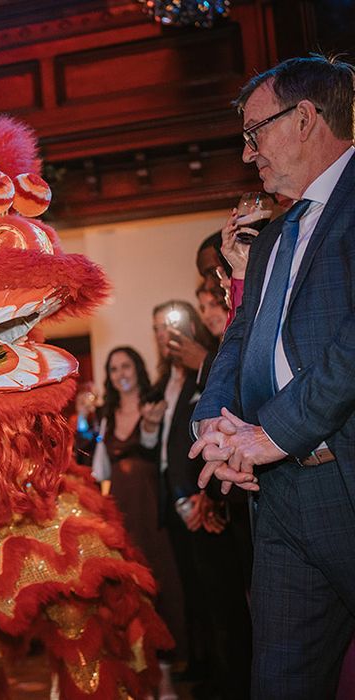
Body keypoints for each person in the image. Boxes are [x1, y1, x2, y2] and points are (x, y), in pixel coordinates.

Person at [190, 55, 355, 699]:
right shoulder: (277, 231)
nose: (248, 151)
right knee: (281, 683)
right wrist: (215, 422)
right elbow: (241, 337)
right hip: (280, 495)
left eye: (255, 131)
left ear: (306, 117)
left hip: (341, 471)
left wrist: (273, 432)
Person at [150, 300, 252, 699]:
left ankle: (233, 684)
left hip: (209, 497)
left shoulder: (209, 368)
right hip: (180, 501)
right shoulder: (166, 382)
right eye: (157, 327)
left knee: (226, 602)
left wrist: (200, 496)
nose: (164, 334)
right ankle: (212, 672)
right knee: (200, 595)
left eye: (170, 324)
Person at [100, 346, 184, 700]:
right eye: (114, 367)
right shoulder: (106, 415)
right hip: (120, 510)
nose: (121, 372)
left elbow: (156, 449)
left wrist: (150, 424)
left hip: (151, 508)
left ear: (137, 368)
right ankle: (140, 674)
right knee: (130, 593)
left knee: (159, 583)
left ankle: (164, 674)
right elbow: (100, 471)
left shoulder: (155, 405)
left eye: (127, 365)